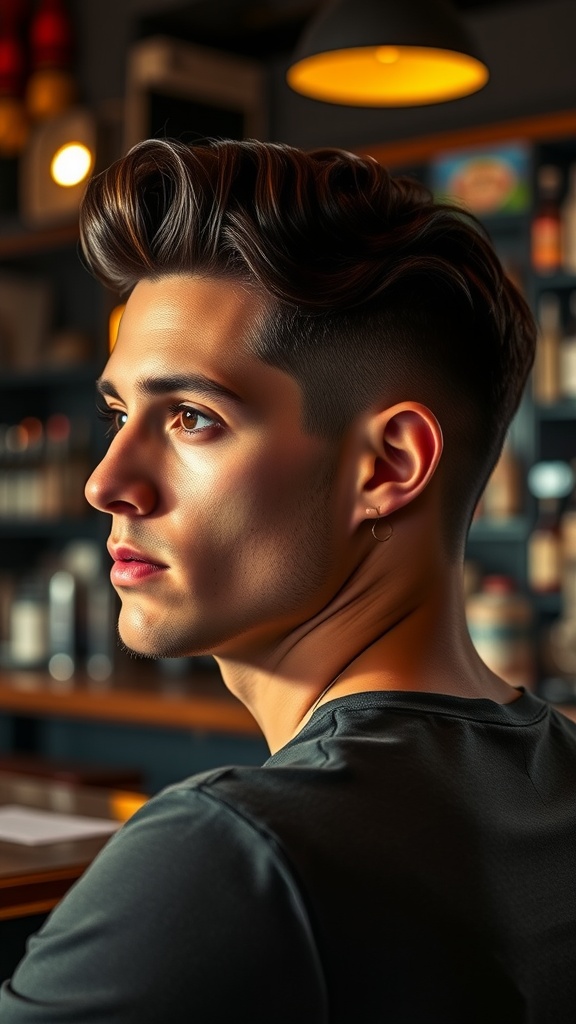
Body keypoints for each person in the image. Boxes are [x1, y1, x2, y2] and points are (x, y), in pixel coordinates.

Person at [1, 137, 575, 1023]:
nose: (106, 481)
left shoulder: (227, 858)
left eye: (190, 416)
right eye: (120, 413)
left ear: (387, 466)